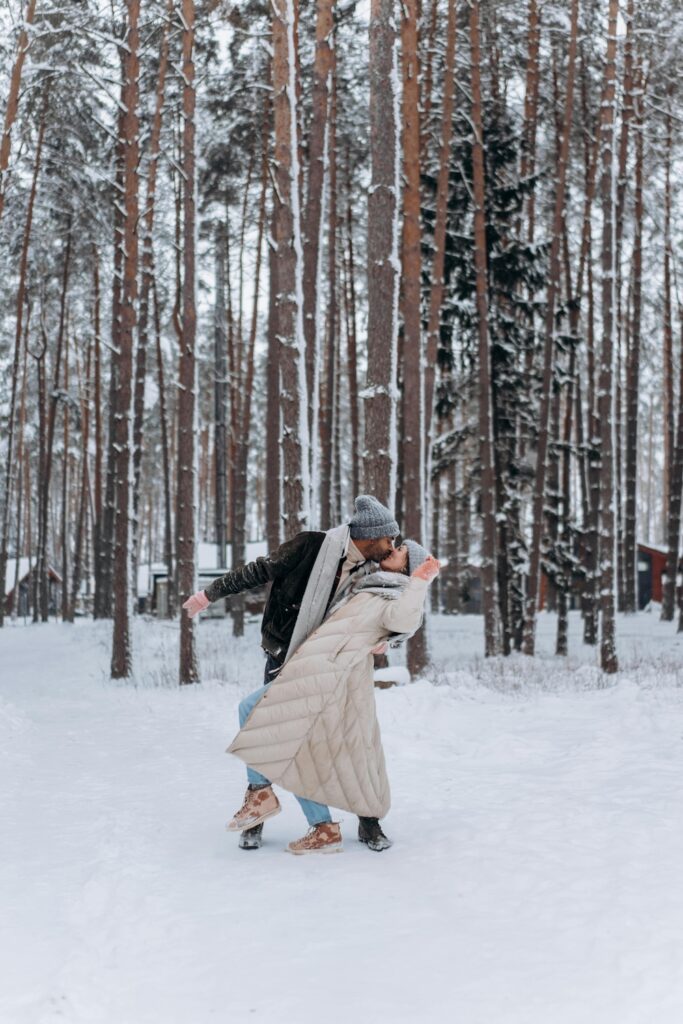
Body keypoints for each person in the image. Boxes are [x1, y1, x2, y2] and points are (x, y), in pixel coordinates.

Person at [182, 494, 400, 849]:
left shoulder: (373, 572)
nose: (392, 546)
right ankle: (268, 812)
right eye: (388, 539)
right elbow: (259, 570)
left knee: (348, 741)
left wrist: (387, 640)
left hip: (332, 664)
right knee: (270, 728)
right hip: (286, 655)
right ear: (370, 535)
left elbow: (393, 614)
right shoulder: (311, 546)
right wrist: (210, 594)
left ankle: (365, 821)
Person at [225, 542, 440, 854]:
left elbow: (404, 620)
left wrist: (420, 582)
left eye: (402, 551)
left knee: (263, 717)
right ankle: (312, 822)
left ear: (409, 568)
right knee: (271, 725)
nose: (394, 549)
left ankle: (272, 801)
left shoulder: (396, 594)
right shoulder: (370, 582)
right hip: (307, 664)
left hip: (329, 676)